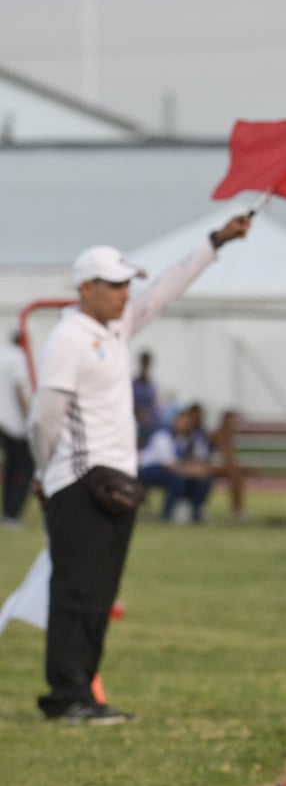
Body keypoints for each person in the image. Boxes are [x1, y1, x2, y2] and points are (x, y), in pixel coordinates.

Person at [27, 213, 251, 722]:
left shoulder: (114, 326)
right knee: (76, 591)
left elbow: (167, 288)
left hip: (114, 481)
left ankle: (84, 694)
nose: (126, 294)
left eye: (128, 284)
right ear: (85, 287)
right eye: (114, 285)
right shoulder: (70, 337)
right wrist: (46, 473)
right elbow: (45, 416)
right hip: (81, 481)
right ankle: (66, 696)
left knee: (100, 593)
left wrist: (215, 242)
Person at [138, 406, 214, 522]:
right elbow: (168, 464)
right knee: (178, 480)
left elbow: (202, 459)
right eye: (181, 421)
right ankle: (167, 514)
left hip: (179, 469)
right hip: (150, 469)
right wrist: (191, 470)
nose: (184, 425)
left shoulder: (193, 438)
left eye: (187, 422)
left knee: (204, 480)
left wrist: (198, 470)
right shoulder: (163, 436)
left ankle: (196, 512)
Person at [0, 331, 34, 528]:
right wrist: (32, 418)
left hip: (2, 422)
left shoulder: (3, 355)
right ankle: (11, 515)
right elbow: (21, 390)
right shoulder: (20, 358)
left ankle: (7, 512)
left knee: (10, 467)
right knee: (23, 468)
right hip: (14, 424)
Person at [132, 350, 161, 448]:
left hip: (151, 423)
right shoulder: (134, 384)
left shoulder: (153, 384)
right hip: (137, 423)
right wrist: (140, 415)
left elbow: (156, 405)